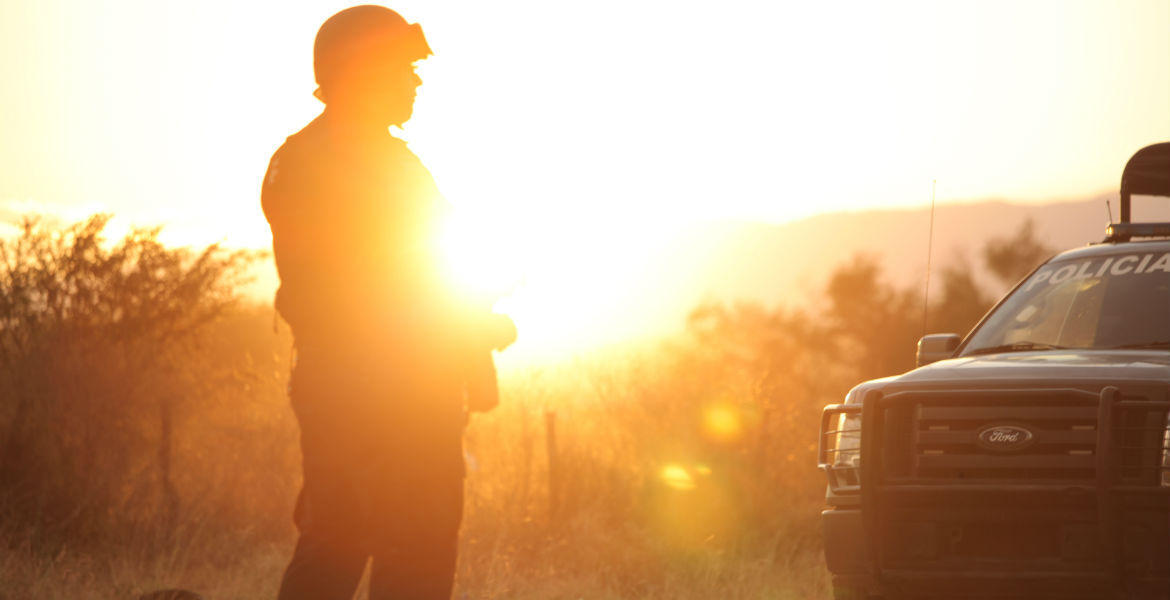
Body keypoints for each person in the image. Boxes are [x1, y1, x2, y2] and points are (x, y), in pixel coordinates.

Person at [261, 6, 514, 599]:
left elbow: (414, 273)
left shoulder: (352, 161)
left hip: (381, 391)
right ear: (365, 72)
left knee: (375, 551)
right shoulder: (343, 165)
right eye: (404, 69)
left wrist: (474, 320)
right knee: (374, 551)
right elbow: (370, 291)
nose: (417, 81)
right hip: (375, 394)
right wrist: (468, 326)